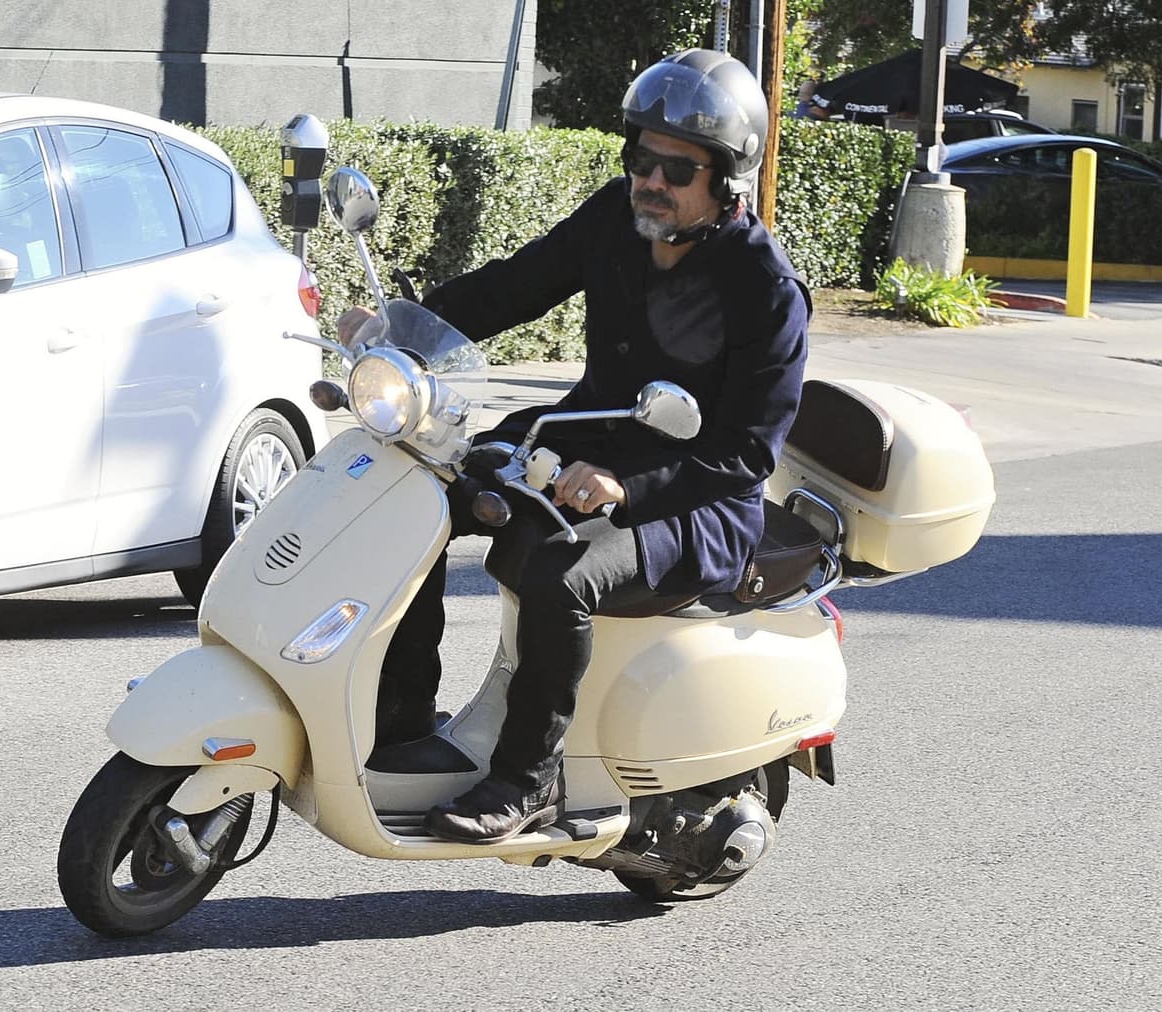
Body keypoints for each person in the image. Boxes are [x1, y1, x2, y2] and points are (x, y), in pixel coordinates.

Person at [337, 48, 811, 845]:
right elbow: (511, 288)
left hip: (697, 497)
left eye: (677, 169)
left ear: (726, 180)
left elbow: (748, 453)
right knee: (426, 486)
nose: (651, 180)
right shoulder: (613, 219)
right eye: (641, 157)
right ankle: (405, 717)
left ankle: (529, 781)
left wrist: (629, 489)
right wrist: (401, 335)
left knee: (563, 573)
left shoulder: (765, 290)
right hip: (576, 440)